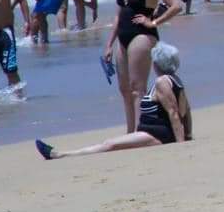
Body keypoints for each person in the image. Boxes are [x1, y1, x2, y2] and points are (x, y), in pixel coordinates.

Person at [35, 46, 192, 160]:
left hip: (157, 134)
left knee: (109, 144)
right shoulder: (175, 80)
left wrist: (181, 144)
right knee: (110, 144)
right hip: (159, 133)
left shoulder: (161, 82)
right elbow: (187, 110)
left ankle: (60, 154)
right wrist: (188, 134)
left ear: (156, 63)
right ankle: (61, 154)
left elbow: (173, 112)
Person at [103, 0, 181, 134]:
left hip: (142, 36)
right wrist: (109, 44)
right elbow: (117, 16)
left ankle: (142, 130)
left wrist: (154, 22)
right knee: (124, 89)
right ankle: (130, 131)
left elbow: (177, 5)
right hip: (122, 36)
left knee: (137, 87)